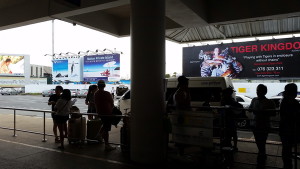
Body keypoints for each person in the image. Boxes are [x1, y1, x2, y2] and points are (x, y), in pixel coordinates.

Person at [248, 84, 276, 168]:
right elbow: (250, 109)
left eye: (259, 90)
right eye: (257, 90)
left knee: (261, 142)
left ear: (264, 92)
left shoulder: (269, 102)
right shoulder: (255, 100)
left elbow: (273, 113)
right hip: (256, 124)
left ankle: (261, 156)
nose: (257, 92)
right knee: (259, 141)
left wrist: (261, 112)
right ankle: (262, 155)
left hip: (263, 125)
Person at [279, 83, 300, 169]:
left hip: (284, 129)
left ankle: (287, 165)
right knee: (288, 149)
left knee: (286, 150)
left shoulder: (284, 102)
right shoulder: (293, 103)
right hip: (291, 130)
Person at [94, 80, 115, 151]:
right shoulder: (107, 93)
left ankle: (98, 135)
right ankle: (107, 145)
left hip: (100, 113)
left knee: (104, 125)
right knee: (106, 129)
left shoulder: (96, 94)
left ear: (98, 86)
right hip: (107, 113)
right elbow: (112, 104)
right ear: (104, 86)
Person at [173, 75, 191, 155]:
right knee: (182, 134)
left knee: (182, 134)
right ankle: (181, 153)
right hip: (181, 116)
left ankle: (181, 152)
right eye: (187, 83)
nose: (188, 85)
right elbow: (183, 105)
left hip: (181, 116)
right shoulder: (180, 93)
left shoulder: (180, 92)